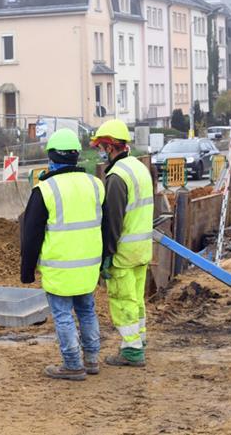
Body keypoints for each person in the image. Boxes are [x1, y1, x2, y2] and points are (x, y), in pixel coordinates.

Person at [20, 128, 105, 381]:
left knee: (63, 315)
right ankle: (91, 360)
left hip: (59, 268)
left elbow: (31, 235)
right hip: (89, 265)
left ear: (52, 157)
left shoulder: (44, 190)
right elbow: (106, 224)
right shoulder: (95, 184)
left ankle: (72, 364)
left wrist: (27, 271)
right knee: (87, 310)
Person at [92, 119, 153, 368]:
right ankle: (139, 339)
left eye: (101, 147)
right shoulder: (139, 168)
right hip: (142, 249)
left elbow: (113, 221)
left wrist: (107, 253)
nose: (101, 152)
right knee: (136, 298)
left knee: (122, 300)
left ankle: (131, 350)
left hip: (124, 253)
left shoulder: (117, 177)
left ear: (109, 147)